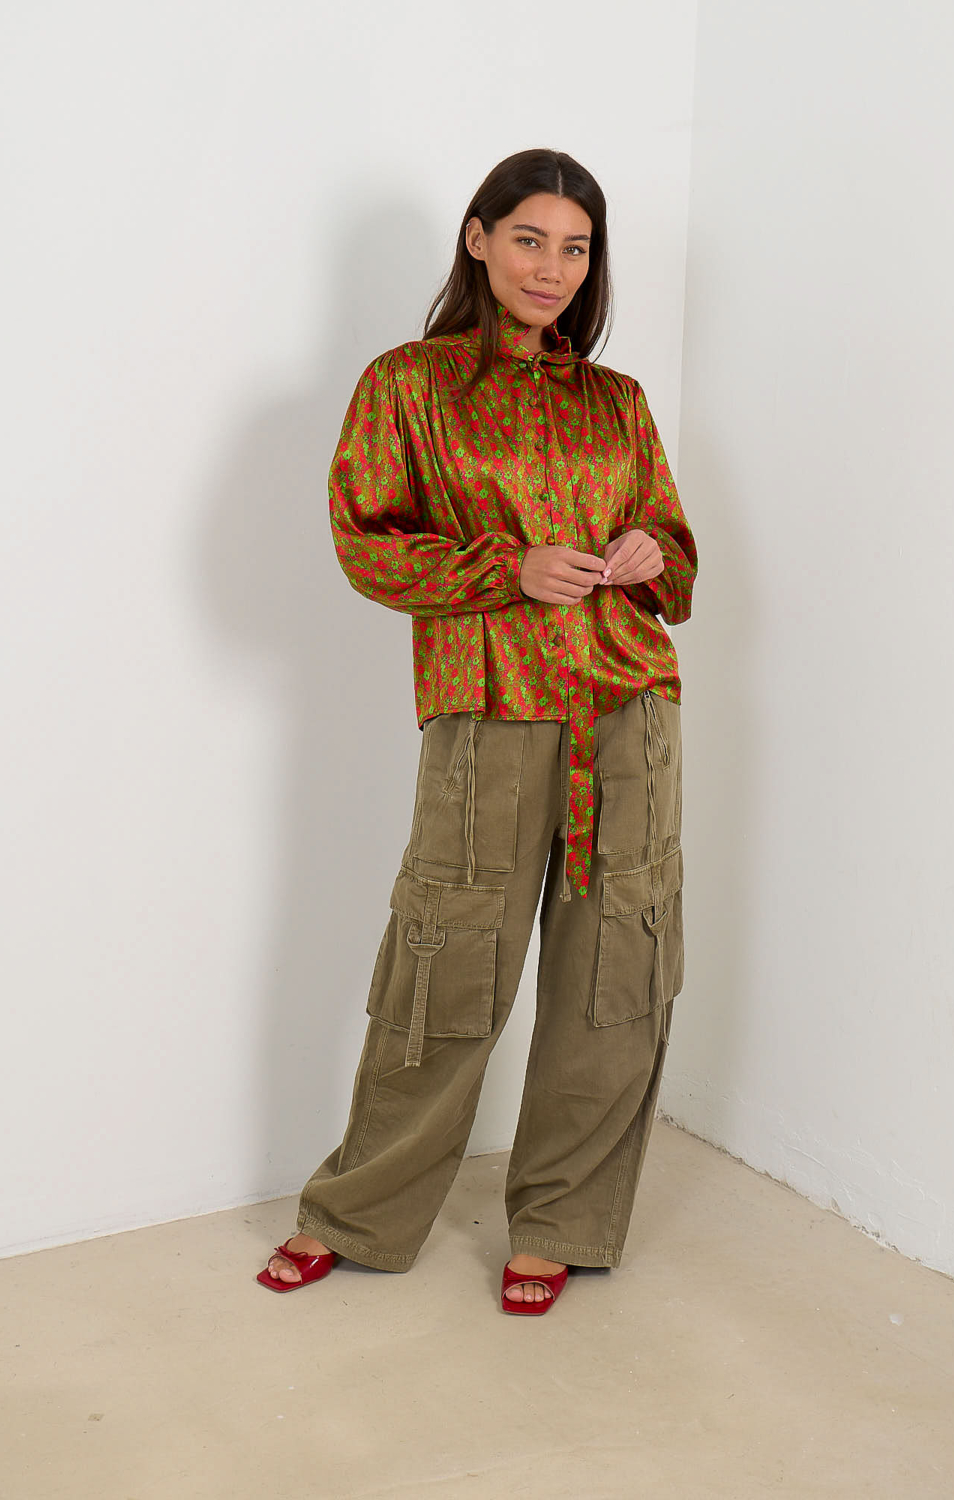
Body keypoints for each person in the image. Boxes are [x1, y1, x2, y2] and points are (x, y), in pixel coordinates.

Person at [257, 147, 697, 1314]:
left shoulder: (617, 401)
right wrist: (508, 568)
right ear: (479, 239)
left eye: (576, 248)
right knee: (447, 961)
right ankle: (359, 1209)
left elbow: (676, 556)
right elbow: (365, 542)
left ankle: (561, 1220)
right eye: (530, 240)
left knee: (616, 971)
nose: (553, 268)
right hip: (490, 709)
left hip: (627, 709)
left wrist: (649, 554)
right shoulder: (408, 386)